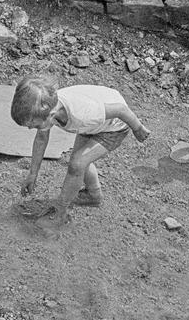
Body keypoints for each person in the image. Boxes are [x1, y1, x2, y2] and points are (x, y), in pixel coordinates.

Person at [11, 73, 150, 227]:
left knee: (78, 163)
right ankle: (93, 196)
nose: (32, 128)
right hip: (92, 125)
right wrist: (32, 173)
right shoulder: (51, 109)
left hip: (115, 126)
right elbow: (41, 139)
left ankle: (61, 213)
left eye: (35, 125)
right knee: (80, 161)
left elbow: (120, 110)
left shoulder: (81, 112)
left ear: (51, 115)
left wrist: (138, 128)